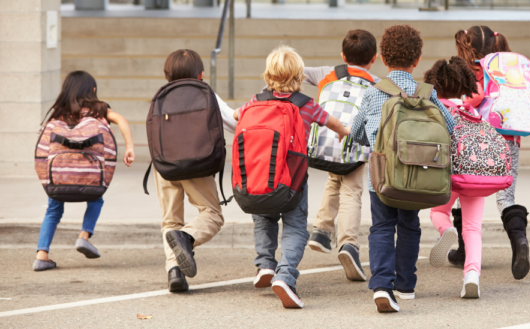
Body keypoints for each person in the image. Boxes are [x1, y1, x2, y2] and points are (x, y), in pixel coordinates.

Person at [234, 45, 351, 309]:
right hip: (292, 183)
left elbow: (235, 115)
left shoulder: (256, 101)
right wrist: (344, 131)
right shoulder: (306, 105)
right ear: (299, 76)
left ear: (268, 74)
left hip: (259, 180)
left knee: (264, 219)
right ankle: (285, 276)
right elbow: (331, 122)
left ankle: (265, 264)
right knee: (296, 227)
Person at [350, 25, 455, 313]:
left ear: (383, 58)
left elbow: (357, 132)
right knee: (409, 227)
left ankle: (382, 285)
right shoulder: (427, 94)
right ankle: (405, 286)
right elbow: (451, 127)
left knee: (382, 227)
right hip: (417, 175)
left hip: (382, 178)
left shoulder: (374, 93)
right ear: (417, 59)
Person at [153, 49, 238, 292]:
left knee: (170, 220)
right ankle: (187, 238)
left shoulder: (161, 96)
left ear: (167, 74)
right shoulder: (205, 93)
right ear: (201, 74)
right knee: (212, 214)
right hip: (197, 164)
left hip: (164, 165)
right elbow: (234, 123)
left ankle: (174, 271)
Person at [450, 25, 530, 281]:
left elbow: (469, 100)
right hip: (508, 139)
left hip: (476, 139)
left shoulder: (466, 72)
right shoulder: (507, 71)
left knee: (466, 189)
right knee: (506, 197)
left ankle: (465, 250)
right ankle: (519, 240)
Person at [33, 71, 135, 271]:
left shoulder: (57, 113)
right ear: (93, 90)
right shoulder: (99, 110)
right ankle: (84, 236)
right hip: (90, 175)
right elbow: (121, 120)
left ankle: (41, 255)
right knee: (96, 198)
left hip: (60, 175)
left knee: (53, 210)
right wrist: (130, 147)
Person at [304, 29, 380, 282]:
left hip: (325, 142)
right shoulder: (377, 84)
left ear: (342, 55)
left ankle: (321, 230)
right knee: (352, 192)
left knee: (334, 179)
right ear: (374, 58)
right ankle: (348, 245)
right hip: (354, 145)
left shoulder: (327, 73)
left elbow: (296, 71)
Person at [423, 57, 487, 298]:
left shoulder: (433, 107)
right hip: (473, 176)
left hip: (444, 175)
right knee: (472, 228)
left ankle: (446, 229)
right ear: (463, 85)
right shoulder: (471, 110)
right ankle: (472, 275)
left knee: (438, 212)